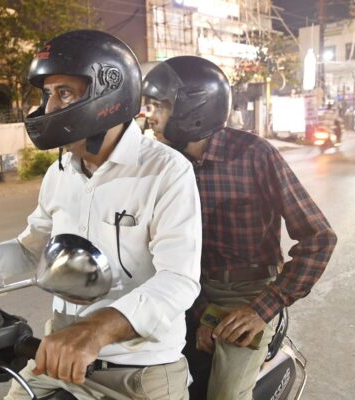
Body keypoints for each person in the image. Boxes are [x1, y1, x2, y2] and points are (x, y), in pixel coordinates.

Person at [0, 30, 202, 399]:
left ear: (109, 94)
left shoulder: (166, 171)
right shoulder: (59, 173)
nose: (49, 109)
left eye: (65, 93)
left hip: (138, 373)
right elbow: (32, 250)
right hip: (55, 360)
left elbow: (178, 280)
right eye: (47, 95)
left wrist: (95, 330)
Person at [142, 56, 337, 400]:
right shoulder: (165, 163)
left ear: (193, 109)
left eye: (161, 106)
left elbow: (319, 238)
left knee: (226, 395)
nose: (151, 116)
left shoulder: (253, 154)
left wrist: (263, 308)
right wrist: (201, 314)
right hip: (185, 290)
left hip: (246, 294)